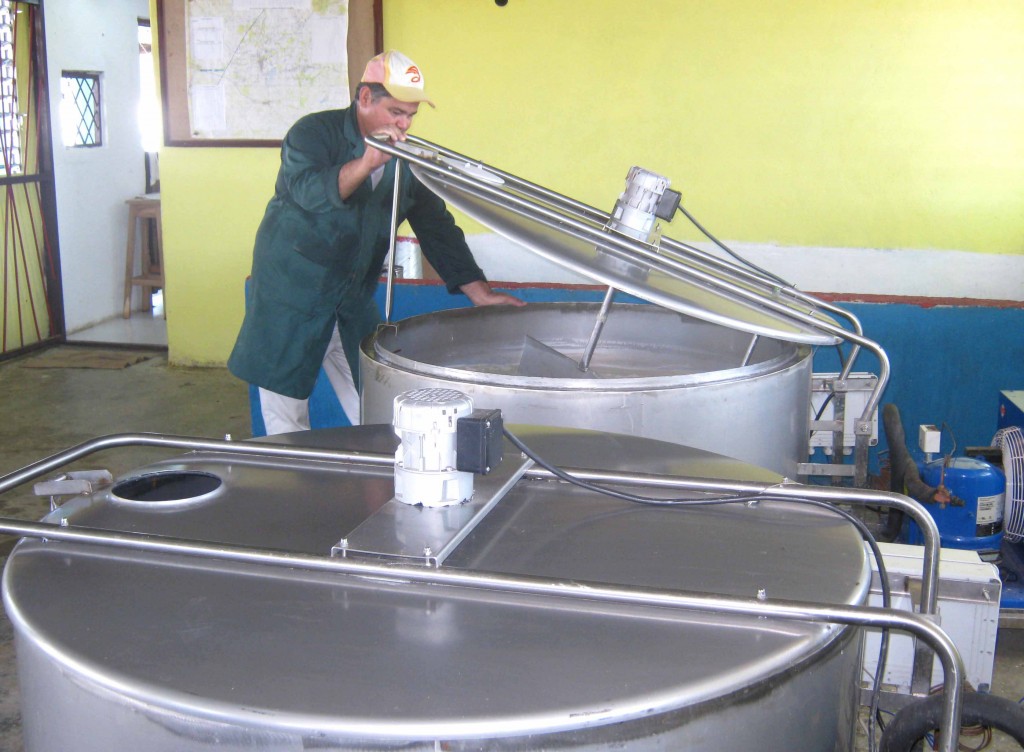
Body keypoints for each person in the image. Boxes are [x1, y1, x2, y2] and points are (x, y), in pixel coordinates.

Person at [228, 50, 524, 435]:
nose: (404, 124)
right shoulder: (313, 134)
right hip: (291, 297)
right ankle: (290, 480)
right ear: (365, 99)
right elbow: (309, 193)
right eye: (396, 112)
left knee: (379, 410)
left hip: (351, 302)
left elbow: (437, 228)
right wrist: (368, 162)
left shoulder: (405, 160)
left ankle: (383, 484)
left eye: (411, 116)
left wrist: (480, 293)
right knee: (287, 420)